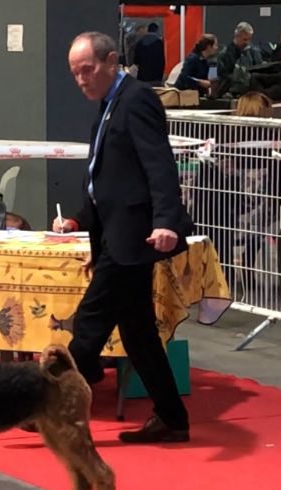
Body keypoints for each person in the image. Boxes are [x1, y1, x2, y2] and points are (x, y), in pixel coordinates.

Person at [56, 31, 193, 443]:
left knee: (89, 323)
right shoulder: (109, 104)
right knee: (138, 335)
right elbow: (108, 177)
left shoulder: (136, 100)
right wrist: (81, 220)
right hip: (115, 234)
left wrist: (167, 221)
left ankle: (47, 402)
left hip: (132, 238)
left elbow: (159, 165)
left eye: (87, 70)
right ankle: (172, 419)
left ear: (111, 61)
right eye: (74, 73)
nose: (81, 79)